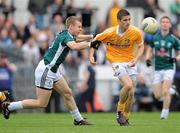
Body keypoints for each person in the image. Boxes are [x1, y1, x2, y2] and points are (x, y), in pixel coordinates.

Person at [0, 16, 101, 125]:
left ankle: (78, 119)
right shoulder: (67, 37)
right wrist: (90, 43)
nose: (81, 29)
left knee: (67, 93)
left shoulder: (67, 34)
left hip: (52, 70)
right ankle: (9, 106)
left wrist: (92, 36)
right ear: (71, 26)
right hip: (46, 70)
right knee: (41, 103)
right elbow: (74, 46)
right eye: (79, 27)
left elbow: (77, 38)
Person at [89, 9, 144, 126]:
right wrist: (91, 55)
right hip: (116, 62)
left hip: (130, 62)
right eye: (125, 20)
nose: (128, 22)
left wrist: (136, 59)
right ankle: (119, 111)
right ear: (118, 21)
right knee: (128, 85)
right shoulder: (109, 32)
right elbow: (94, 41)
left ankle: (125, 118)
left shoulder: (136, 32)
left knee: (132, 93)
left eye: (129, 20)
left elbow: (141, 46)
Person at [145, 16, 180, 119]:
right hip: (157, 68)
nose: (165, 24)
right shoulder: (155, 38)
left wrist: (175, 59)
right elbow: (149, 50)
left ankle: (164, 113)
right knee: (157, 95)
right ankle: (172, 90)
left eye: (167, 22)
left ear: (169, 25)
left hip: (169, 67)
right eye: (163, 22)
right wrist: (148, 59)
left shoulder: (173, 39)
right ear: (160, 25)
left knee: (165, 91)